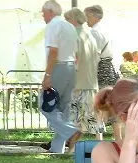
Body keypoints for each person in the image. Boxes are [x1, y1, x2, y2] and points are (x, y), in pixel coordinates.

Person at [40, 0, 81, 153]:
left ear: (50, 12)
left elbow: (53, 52)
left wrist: (48, 75)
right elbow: (77, 55)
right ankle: (57, 149)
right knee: (64, 109)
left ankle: (71, 131)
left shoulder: (52, 25)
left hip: (59, 67)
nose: (43, 15)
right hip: (71, 68)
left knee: (45, 105)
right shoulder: (70, 26)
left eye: (43, 12)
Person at [64, 7, 105, 141]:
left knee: (75, 119)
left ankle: (71, 148)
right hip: (91, 83)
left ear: (73, 20)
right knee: (92, 119)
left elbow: (72, 61)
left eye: (67, 19)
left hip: (78, 84)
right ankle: (98, 144)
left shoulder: (74, 36)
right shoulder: (89, 35)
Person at [84, 4, 122, 140]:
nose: (85, 19)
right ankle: (118, 138)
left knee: (98, 103)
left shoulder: (94, 32)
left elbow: (93, 55)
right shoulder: (105, 30)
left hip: (100, 70)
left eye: (87, 16)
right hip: (110, 68)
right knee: (111, 103)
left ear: (94, 16)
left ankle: (99, 138)